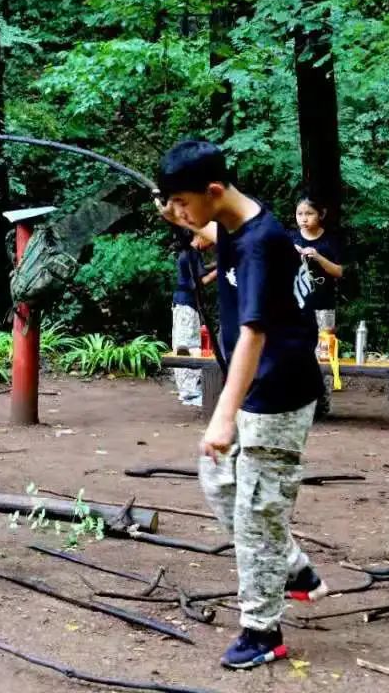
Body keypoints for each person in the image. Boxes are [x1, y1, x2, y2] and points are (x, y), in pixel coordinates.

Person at [157, 140, 328, 670]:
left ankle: (262, 629)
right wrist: (182, 219)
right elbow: (211, 235)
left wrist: (223, 414)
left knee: (256, 509)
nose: (180, 212)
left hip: (275, 393)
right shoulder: (235, 225)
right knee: (217, 481)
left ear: (211, 191)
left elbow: (254, 332)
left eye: (183, 202)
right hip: (255, 388)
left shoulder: (261, 242)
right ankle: (293, 565)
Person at [291, 196, 344, 417]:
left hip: (323, 306)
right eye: (299, 214)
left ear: (320, 215)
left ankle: (322, 406)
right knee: (295, 353)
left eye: (308, 213)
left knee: (323, 355)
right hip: (295, 307)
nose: (303, 219)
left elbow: (339, 272)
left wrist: (318, 257)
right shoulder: (290, 238)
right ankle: (298, 404)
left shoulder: (330, 241)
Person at [171, 228, 216, 407]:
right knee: (187, 346)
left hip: (185, 304)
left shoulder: (189, 253)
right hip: (186, 305)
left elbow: (200, 271)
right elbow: (202, 280)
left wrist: (214, 265)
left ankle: (188, 391)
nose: (211, 244)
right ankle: (189, 393)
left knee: (188, 343)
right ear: (200, 236)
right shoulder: (192, 253)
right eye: (210, 240)